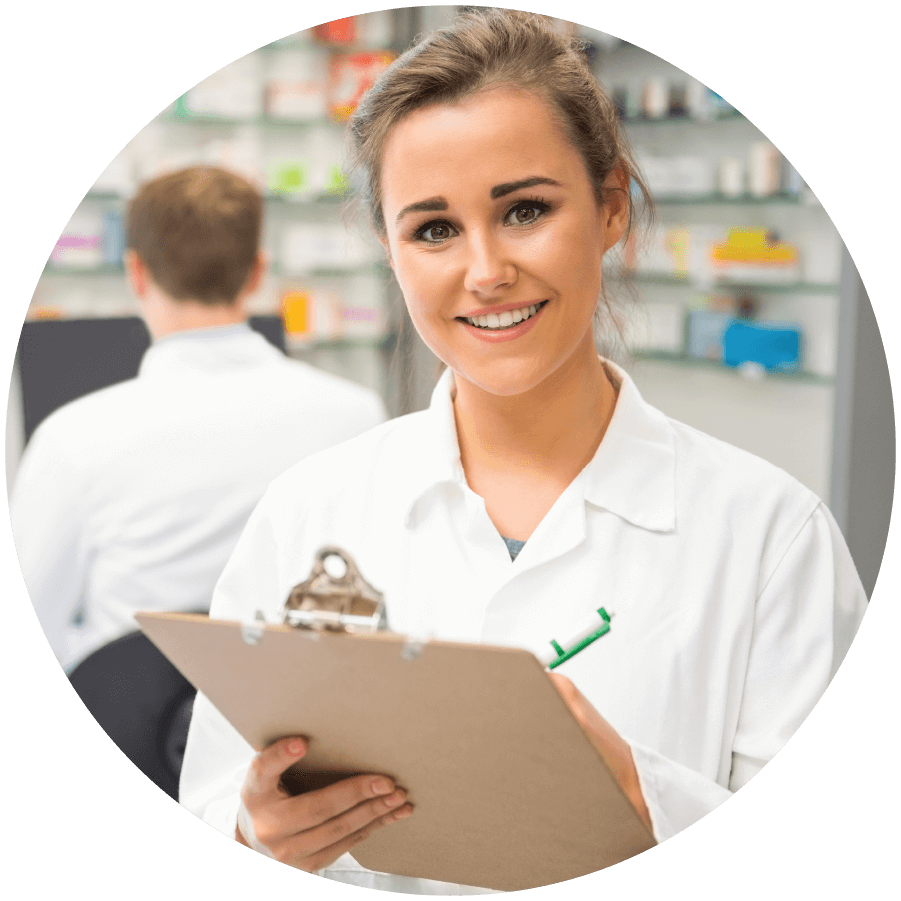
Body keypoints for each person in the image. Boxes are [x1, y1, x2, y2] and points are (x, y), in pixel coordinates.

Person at [179, 10, 868, 892]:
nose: (485, 271)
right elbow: (214, 796)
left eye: (524, 210)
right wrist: (254, 830)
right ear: (389, 249)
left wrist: (638, 795)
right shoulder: (307, 510)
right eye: (433, 229)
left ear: (610, 206)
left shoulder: (771, 537)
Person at [11, 165, 387, 675]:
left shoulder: (73, 439)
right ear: (257, 271)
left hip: (130, 715)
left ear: (136, 273)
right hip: (299, 706)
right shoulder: (356, 415)